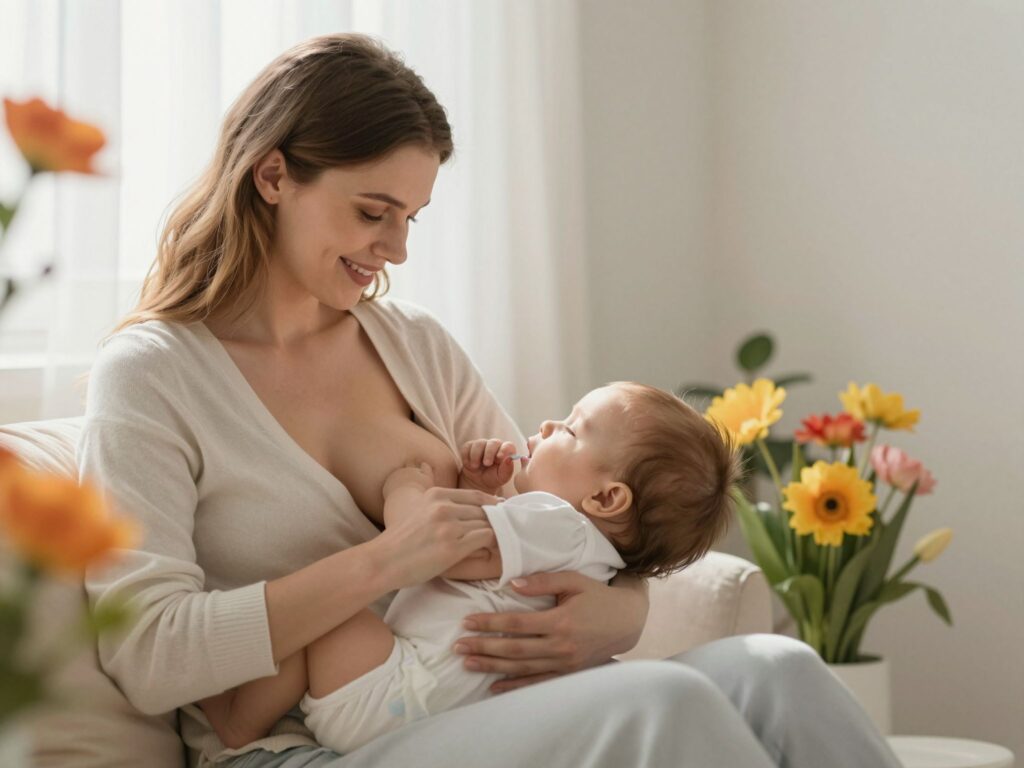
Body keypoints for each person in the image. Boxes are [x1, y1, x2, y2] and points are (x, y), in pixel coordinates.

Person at [81, 32, 902, 768]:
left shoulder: (415, 345)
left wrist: (619, 617)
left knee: (779, 670)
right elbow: (147, 654)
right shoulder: (154, 374)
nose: (397, 247)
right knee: (668, 702)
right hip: (303, 743)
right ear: (272, 176)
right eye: (374, 211)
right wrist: (386, 561)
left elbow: (573, 524)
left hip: (474, 703)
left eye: (411, 217)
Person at [197, 381, 740, 754]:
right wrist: (478, 491)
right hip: (436, 714)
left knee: (334, 612)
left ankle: (237, 723)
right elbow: (487, 566)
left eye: (572, 430)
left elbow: (440, 553)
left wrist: (405, 490)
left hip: (395, 695)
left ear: (605, 499)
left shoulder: (555, 521)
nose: (549, 424)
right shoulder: (588, 554)